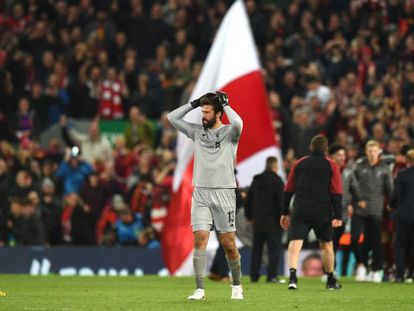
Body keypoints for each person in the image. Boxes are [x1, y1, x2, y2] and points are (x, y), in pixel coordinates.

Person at [167, 91, 243, 300]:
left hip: (225, 192)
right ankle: (200, 289)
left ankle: (237, 285)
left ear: (218, 114)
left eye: (208, 112)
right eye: (203, 111)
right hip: (200, 192)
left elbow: (239, 123)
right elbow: (171, 118)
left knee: (229, 245)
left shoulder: (230, 133)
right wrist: (193, 104)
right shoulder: (197, 131)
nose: (204, 115)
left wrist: (226, 104)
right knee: (200, 238)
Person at [280, 135, 343, 290]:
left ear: (311, 147)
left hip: (301, 209)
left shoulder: (299, 163)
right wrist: (338, 215)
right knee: (327, 245)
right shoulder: (332, 165)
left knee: (295, 243)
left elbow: (288, 189)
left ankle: (293, 279)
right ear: (326, 149)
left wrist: (284, 212)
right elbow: (336, 192)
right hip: (322, 211)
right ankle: (330, 281)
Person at [351, 140, 393, 282]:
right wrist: (354, 202)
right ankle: (362, 265)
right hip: (359, 209)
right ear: (366, 152)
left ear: (379, 152)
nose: (372, 154)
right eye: (370, 151)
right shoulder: (358, 167)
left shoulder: (384, 168)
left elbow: (390, 190)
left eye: (374, 151)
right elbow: (352, 186)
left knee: (375, 241)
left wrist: (391, 204)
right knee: (355, 239)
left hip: (376, 209)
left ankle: (376, 270)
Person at [245, 156, 284, 283]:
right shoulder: (278, 182)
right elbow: (281, 203)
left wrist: (250, 216)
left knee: (257, 249)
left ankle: (254, 275)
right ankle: (272, 276)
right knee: (274, 250)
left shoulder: (256, 180)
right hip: (273, 221)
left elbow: (248, 200)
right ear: (275, 167)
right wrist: (282, 218)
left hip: (258, 221)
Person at [390, 149, 414, 282]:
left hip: (404, 215)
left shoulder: (403, 174)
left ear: (408, 160)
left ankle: (400, 275)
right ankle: (411, 273)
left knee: (400, 245)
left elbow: (396, 194)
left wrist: (391, 205)